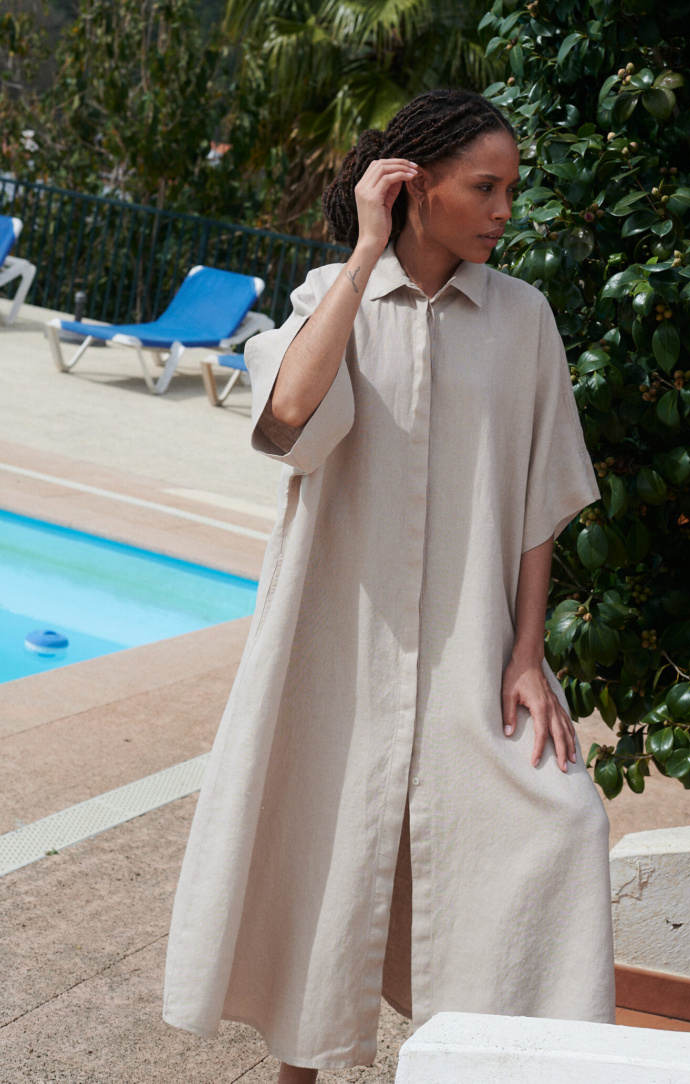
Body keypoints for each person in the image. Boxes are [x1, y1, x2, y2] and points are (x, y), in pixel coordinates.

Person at [162, 89, 615, 1081]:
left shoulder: (522, 319)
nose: (503, 210)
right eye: (483, 187)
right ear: (415, 188)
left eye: (511, 189)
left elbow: (541, 496)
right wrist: (363, 257)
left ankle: (492, 1058)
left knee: (563, 822)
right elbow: (285, 419)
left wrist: (526, 655)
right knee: (325, 854)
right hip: (336, 647)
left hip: (470, 656)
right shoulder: (328, 300)